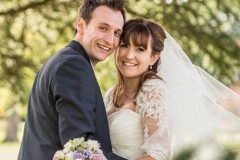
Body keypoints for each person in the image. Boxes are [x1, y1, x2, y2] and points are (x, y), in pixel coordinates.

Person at [104, 17, 240, 160]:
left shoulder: (152, 90)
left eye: (140, 49)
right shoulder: (112, 93)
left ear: (154, 57)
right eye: (124, 45)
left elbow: (158, 154)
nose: (129, 55)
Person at [18, 0, 127, 160]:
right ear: (81, 25)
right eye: (103, 28)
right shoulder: (73, 66)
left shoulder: (61, 60)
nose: (110, 40)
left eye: (117, 33)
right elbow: (79, 147)